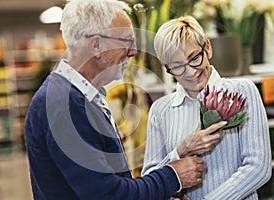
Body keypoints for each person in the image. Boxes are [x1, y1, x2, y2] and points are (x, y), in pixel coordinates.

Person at [23, 1, 225, 199]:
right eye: (126, 41)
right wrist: (173, 176)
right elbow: (108, 194)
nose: (134, 51)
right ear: (97, 45)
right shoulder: (64, 105)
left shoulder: (80, 97)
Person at [142, 15, 272, 199]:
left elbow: (258, 167)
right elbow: (149, 177)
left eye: (194, 58)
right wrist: (179, 151)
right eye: (177, 66)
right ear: (167, 68)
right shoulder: (160, 110)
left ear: (208, 48)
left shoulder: (243, 91)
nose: (191, 72)